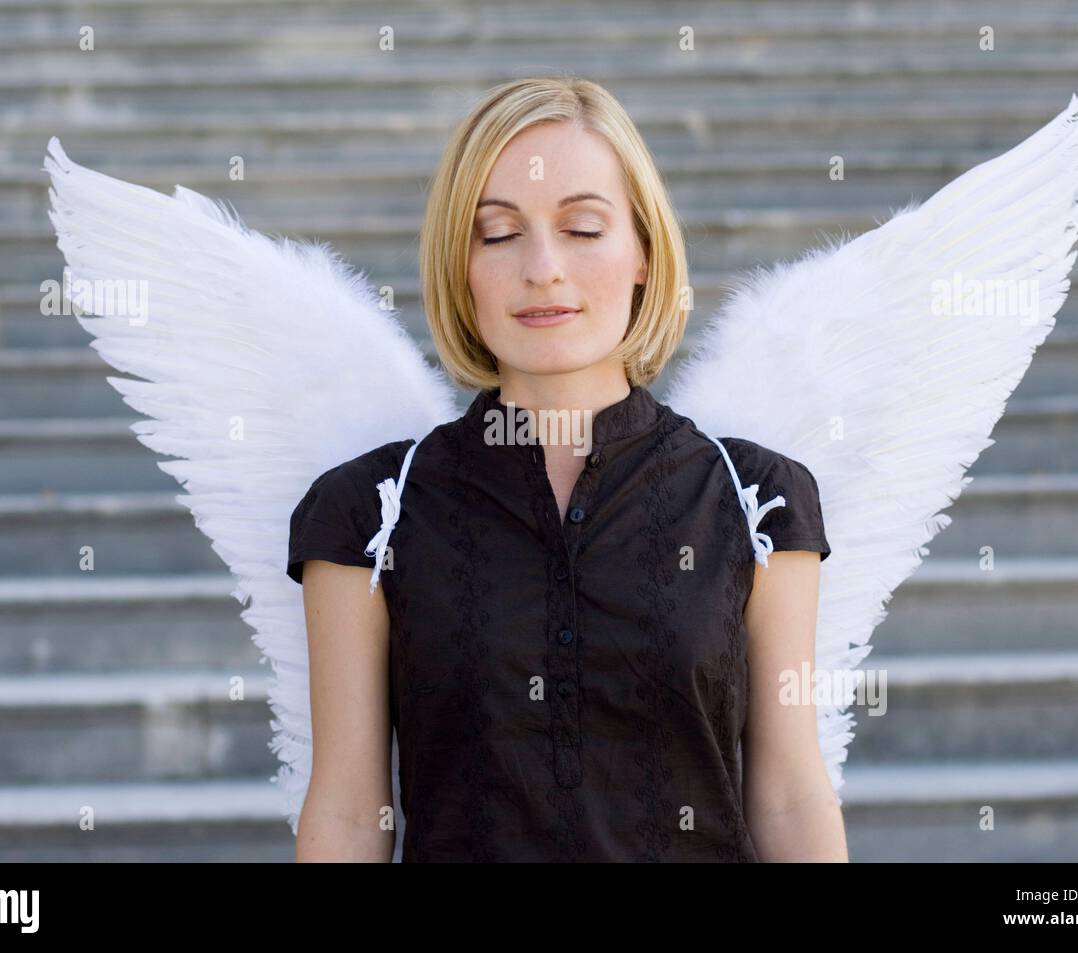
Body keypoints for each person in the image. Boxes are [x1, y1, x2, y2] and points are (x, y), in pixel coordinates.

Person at [288, 76, 848, 862]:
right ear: (460, 266)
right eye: (496, 232)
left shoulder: (757, 499)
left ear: (645, 252)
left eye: (583, 228)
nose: (542, 267)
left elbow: (790, 796)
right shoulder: (369, 512)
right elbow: (348, 812)